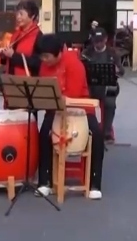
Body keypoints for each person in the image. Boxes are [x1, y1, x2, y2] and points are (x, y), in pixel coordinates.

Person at [34, 34, 105, 200]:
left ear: (59, 52)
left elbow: (73, 93)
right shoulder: (44, 66)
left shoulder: (74, 64)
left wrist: (60, 98)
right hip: (55, 109)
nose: (44, 60)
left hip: (80, 108)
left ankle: (95, 184)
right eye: (42, 57)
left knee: (96, 134)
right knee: (44, 133)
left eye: (47, 56)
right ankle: (45, 182)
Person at [82, 27, 124, 143]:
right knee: (86, 104)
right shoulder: (86, 53)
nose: (98, 44)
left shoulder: (112, 53)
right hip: (92, 85)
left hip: (109, 86)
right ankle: (89, 130)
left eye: (101, 41)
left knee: (110, 104)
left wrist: (117, 70)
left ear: (106, 39)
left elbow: (122, 71)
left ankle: (107, 133)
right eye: (96, 41)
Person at [1, 0, 42, 77]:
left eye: (21, 14)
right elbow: (9, 61)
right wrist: (4, 56)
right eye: (17, 14)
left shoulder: (38, 36)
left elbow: (37, 64)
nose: (18, 17)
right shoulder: (16, 34)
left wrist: (13, 55)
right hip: (10, 79)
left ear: (32, 16)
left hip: (27, 80)